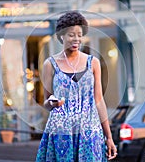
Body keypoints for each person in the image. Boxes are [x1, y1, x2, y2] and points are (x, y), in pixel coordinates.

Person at [36, 11, 117, 161]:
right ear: (62, 36)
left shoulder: (93, 63)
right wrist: (52, 103)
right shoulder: (50, 64)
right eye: (71, 35)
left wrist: (109, 137)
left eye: (79, 35)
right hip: (61, 131)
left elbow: (99, 101)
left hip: (89, 130)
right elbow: (47, 103)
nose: (76, 39)